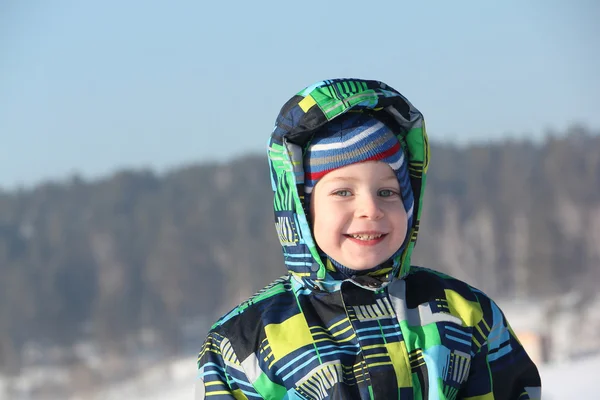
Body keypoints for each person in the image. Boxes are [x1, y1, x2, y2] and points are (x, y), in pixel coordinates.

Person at [196, 78, 541, 399]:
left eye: (387, 192)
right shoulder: (245, 343)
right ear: (302, 209)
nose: (370, 209)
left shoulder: (464, 315)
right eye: (344, 191)